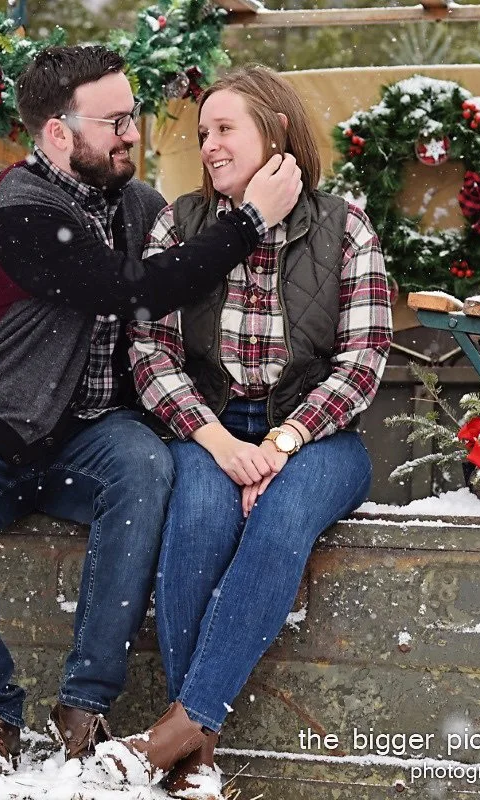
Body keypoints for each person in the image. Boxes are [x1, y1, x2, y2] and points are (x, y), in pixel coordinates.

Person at [0, 47, 303, 775]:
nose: (131, 132)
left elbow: (178, 294)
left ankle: (85, 702)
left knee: (145, 465)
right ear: (59, 133)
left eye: (133, 115)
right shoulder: (19, 209)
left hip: (89, 436)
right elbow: (134, 289)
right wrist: (249, 221)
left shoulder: (140, 207)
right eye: (115, 120)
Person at [93, 65, 393, 797]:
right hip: (210, 428)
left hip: (320, 438)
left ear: (277, 130)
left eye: (226, 128)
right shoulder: (184, 223)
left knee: (283, 519)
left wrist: (282, 444)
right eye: (204, 134)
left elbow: (364, 359)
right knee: (196, 514)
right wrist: (217, 440)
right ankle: (197, 759)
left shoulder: (343, 224)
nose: (211, 146)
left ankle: (177, 729)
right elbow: (150, 349)